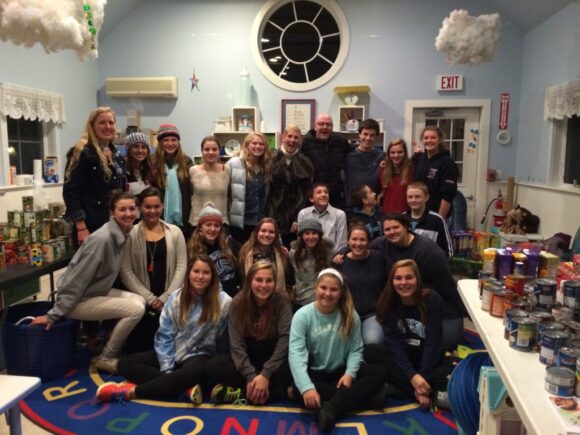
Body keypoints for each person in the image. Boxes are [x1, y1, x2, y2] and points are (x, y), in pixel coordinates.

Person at [31, 192, 146, 373]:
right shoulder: (102, 239)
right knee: (135, 310)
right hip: (78, 300)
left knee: (140, 301)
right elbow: (76, 280)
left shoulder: (123, 233)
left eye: (132, 209)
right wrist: (53, 314)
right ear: (112, 212)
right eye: (122, 209)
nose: (128, 213)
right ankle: (106, 357)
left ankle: (109, 346)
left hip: (93, 292)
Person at [97, 256, 232, 403]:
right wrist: (167, 368)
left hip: (201, 356)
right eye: (196, 271)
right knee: (124, 364)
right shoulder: (176, 298)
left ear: (212, 276)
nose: (200, 276)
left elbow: (224, 340)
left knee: (189, 374)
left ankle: (130, 393)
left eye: (206, 272)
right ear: (189, 274)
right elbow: (164, 336)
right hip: (175, 351)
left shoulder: (224, 302)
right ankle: (183, 388)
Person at [289, 269, 388, 432]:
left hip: (341, 373)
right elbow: (296, 354)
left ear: (341, 292)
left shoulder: (350, 315)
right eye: (323, 288)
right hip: (316, 372)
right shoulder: (302, 315)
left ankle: (332, 408)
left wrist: (350, 374)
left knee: (379, 371)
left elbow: (356, 350)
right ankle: (368, 398)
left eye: (333, 289)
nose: (327, 293)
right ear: (316, 288)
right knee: (298, 390)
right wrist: (307, 387)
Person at [365, 260, 457, 409]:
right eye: (398, 278)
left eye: (409, 277)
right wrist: (413, 377)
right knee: (371, 352)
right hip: (403, 361)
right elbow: (395, 346)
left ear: (417, 279)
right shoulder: (387, 303)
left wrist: (422, 376)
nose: (404, 283)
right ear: (392, 281)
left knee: (454, 370)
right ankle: (431, 394)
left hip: (427, 360)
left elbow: (432, 344)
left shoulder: (432, 299)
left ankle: (398, 387)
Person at [370, 213, 465, 349]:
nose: (392, 232)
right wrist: (342, 252)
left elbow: (447, 285)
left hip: (431, 302)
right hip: (402, 303)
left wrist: (461, 309)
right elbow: (358, 248)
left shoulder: (429, 252)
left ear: (406, 227)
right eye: (387, 229)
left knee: (447, 343)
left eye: (396, 227)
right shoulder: (380, 244)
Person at [206, 262, 293, 405]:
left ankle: (242, 393)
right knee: (213, 365)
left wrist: (266, 374)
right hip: (248, 355)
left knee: (297, 364)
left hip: (272, 356)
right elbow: (236, 345)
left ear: (275, 282)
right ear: (250, 281)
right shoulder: (238, 303)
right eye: (258, 280)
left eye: (269, 280)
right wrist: (251, 376)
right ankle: (269, 391)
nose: (263, 285)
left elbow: (285, 339)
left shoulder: (281, 300)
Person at [120, 187, 187, 352]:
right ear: (140, 208)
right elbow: (126, 270)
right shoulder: (130, 234)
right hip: (142, 300)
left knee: (171, 348)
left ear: (163, 206)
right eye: (147, 207)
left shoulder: (175, 232)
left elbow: (182, 266)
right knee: (139, 350)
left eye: (156, 206)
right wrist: (150, 298)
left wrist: (166, 297)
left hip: (169, 300)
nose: (152, 211)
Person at [63, 106, 127, 245]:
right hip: (91, 225)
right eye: (102, 122)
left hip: (115, 224)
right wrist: (81, 228)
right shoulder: (81, 153)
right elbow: (70, 192)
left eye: (111, 122)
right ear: (92, 126)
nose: (107, 126)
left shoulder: (117, 156)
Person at [332, 223, 387, 344]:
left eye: (362, 239)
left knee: (373, 340)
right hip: (348, 313)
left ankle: (368, 363)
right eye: (354, 239)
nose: (358, 243)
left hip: (373, 314)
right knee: (341, 341)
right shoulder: (339, 262)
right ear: (348, 241)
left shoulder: (379, 258)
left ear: (368, 242)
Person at [268, 125, 314, 247]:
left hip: (295, 219)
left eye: (296, 138)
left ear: (300, 140)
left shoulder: (306, 162)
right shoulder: (270, 159)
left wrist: (297, 219)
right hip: (273, 214)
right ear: (283, 137)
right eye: (289, 136)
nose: (292, 140)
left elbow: (305, 194)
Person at [227, 132, 273, 243]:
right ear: (247, 145)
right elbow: (226, 193)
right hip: (241, 222)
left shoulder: (266, 166)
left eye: (261, 144)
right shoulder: (234, 164)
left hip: (260, 222)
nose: (258, 146)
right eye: (254, 143)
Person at [187, 202, 241, 297]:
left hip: (233, 297)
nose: (212, 229)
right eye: (208, 225)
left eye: (216, 225)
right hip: (212, 299)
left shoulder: (228, 244)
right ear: (200, 228)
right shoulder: (194, 251)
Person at [301, 113, 352, 210]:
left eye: (328, 124)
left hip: (336, 195)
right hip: (313, 196)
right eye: (321, 124)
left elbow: (354, 152)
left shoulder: (340, 141)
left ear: (332, 127)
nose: (325, 127)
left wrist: (381, 159)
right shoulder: (305, 142)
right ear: (315, 126)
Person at [151, 124, 193, 236]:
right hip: (159, 218)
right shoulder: (152, 162)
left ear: (178, 142)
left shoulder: (187, 162)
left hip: (183, 218)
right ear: (160, 143)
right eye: (166, 140)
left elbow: (190, 192)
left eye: (174, 140)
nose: (170, 144)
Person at [412, 126, 458, 219]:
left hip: (438, 215)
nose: (429, 140)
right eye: (426, 138)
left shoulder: (448, 163)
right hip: (419, 214)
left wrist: (439, 220)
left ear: (440, 140)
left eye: (433, 137)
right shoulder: (419, 160)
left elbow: (447, 196)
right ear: (422, 140)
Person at [238, 218, 293, 295]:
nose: (267, 234)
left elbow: (289, 280)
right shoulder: (245, 253)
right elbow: (242, 281)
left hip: (277, 299)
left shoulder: (282, 254)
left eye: (271, 232)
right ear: (257, 232)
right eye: (263, 231)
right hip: (251, 298)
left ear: (275, 235)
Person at [289, 220, 333, 311]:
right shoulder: (293, 254)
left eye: (314, 233)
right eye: (307, 233)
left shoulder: (328, 253)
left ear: (319, 236)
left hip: (321, 301)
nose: (311, 237)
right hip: (300, 301)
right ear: (301, 236)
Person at [188, 136, 231, 229]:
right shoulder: (192, 171)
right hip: (197, 223)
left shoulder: (227, 170)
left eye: (214, 149)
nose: (211, 152)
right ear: (202, 151)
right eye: (207, 149)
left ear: (219, 151)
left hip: (220, 223)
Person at [404, 181, 453, 258]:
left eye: (417, 196)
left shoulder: (436, 220)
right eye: (410, 197)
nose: (413, 200)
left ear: (426, 197)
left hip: (429, 266)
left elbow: (447, 252)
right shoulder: (401, 219)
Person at [344, 119, 384, 208]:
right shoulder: (348, 156)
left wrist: (383, 193)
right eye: (365, 134)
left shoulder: (382, 157)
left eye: (372, 135)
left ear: (376, 137)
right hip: (351, 206)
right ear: (359, 134)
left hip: (373, 206)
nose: (368, 138)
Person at [297, 183, 348, 252]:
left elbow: (342, 243)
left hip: (333, 258)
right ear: (311, 199)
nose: (323, 195)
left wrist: (337, 257)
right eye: (319, 192)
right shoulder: (303, 213)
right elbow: (301, 240)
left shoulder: (339, 214)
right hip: (309, 257)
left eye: (326, 192)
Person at [378, 137, 413, 214]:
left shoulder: (411, 170)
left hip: (406, 214)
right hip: (387, 215)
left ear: (405, 153)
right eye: (392, 152)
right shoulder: (383, 169)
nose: (396, 155)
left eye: (400, 152)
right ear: (388, 154)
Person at [124, 131, 153, 196]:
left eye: (143, 147)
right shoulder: (122, 170)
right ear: (129, 150)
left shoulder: (148, 169)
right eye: (136, 147)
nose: (140, 151)